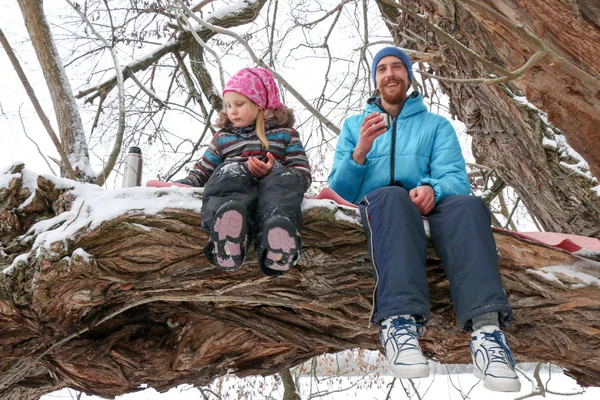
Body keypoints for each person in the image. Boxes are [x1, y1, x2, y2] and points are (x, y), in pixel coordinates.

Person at [328, 47, 521, 392]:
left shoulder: (436, 126)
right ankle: (399, 326)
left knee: (469, 205)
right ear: (375, 79)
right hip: (380, 208)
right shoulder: (354, 126)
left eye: (397, 67)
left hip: (426, 206)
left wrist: (431, 187)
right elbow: (339, 190)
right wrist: (359, 152)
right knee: (391, 197)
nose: (390, 73)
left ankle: (487, 335)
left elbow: (456, 180)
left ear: (408, 77)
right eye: (382, 68)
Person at [177, 67, 311, 276]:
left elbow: (302, 174)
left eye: (239, 104)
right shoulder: (223, 138)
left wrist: (273, 169)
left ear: (259, 105)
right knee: (228, 172)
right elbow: (202, 173)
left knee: (284, 180)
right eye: (229, 105)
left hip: (273, 190)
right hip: (234, 189)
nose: (232, 111)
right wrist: (180, 185)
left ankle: (278, 234)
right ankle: (229, 229)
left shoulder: (286, 135)